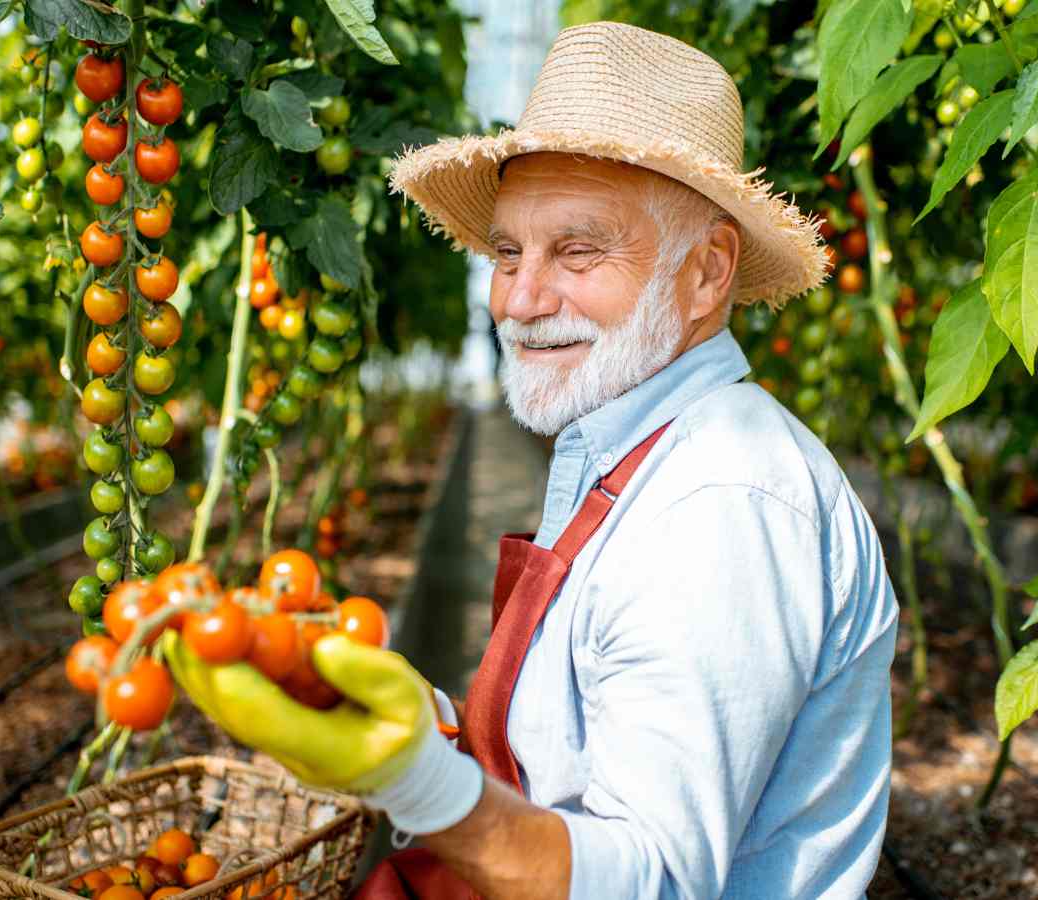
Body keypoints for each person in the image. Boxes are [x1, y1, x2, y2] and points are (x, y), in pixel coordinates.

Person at [172, 20, 899, 900]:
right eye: (508, 253)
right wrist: (423, 722)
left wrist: (418, 782)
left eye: (579, 251)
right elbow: (580, 753)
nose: (520, 298)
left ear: (707, 274)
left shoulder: (720, 504)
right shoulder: (630, 442)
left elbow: (651, 881)